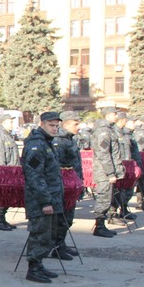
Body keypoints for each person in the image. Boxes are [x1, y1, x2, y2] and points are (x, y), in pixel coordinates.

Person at [20, 112, 65, 283]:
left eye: (56, 126)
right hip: (40, 200)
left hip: (50, 198)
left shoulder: (46, 143)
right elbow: (34, 176)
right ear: (42, 124)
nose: (55, 129)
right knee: (39, 233)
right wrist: (45, 201)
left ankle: (38, 265)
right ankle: (33, 268)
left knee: (47, 235)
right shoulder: (36, 146)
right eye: (51, 125)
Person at [51, 110, 82, 261]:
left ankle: (60, 244)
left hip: (71, 185)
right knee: (61, 218)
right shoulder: (59, 141)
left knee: (68, 218)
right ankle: (55, 247)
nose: (79, 127)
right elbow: (58, 168)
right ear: (67, 123)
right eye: (76, 124)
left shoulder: (69, 139)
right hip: (63, 186)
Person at [91, 107, 123, 237]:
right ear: (109, 115)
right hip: (103, 171)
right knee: (103, 198)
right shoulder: (103, 132)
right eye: (115, 114)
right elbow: (103, 153)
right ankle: (99, 226)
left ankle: (103, 223)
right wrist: (110, 173)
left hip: (108, 170)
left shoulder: (109, 129)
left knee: (108, 197)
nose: (117, 116)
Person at [0, 113, 19, 231]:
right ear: (3, 122)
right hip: (4, 174)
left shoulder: (8, 136)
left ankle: (3, 219)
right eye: (10, 121)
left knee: (8, 197)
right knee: (1, 196)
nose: (12, 124)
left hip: (12, 173)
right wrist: (2, 174)